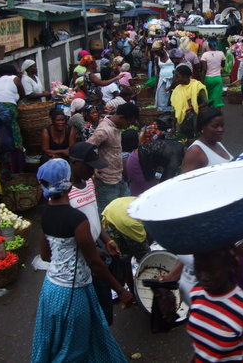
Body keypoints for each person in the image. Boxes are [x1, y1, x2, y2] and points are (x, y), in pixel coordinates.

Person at [31, 159, 133, 363]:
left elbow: (46, 255)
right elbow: (94, 264)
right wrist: (121, 291)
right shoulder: (77, 219)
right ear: (67, 182)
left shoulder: (46, 215)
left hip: (51, 289)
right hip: (72, 292)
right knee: (72, 350)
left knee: (58, 342)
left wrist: (82, 250)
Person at [67, 142, 121, 325]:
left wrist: (107, 240)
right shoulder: (65, 192)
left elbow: (94, 216)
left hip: (97, 246)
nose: (93, 171)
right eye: (90, 166)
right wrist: (90, 250)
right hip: (81, 255)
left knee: (104, 303)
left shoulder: (89, 182)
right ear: (74, 163)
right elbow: (65, 231)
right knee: (90, 307)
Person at [187, 247, 243, 362]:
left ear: (230, 266)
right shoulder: (196, 292)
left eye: (212, 271)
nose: (203, 277)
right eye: (198, 269)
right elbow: (202, 348)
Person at [86, 103, 139, 212]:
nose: (129, 126)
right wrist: (94, 168)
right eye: (129, 123)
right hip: (107, 181)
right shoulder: (104, 130)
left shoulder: (116, 126)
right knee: (107, 212)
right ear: (121, 118)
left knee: (125, 208)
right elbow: (87, 148)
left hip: (119, 177)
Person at [101, 197, 150, 294]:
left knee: (124, 258)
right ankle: (146, 292)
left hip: (111, 209)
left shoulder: (145, 201)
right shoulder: (136, 223)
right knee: (146, 259)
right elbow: (142, 239)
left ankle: (131, 293)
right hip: (125, 220)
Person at [181, 108, 232, 173]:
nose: (220, 129)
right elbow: (186, 181)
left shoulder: (218, 143)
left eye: (222, 126)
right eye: (215, 126)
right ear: (202, 127)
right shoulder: (195, 151)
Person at [0, 64, 25, 154]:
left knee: (0, 131)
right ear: (13, 72)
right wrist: (15, 101)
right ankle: (18, 151)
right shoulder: (15, 78)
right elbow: (22, 94)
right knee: (13, 130)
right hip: (9, 108)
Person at [170, 64, 208, 141]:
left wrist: (193, 108)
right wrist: (173, 126)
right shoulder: (177, 90)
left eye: (178, 77)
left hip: (195, 121)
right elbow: (174, 109)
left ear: (185, 76)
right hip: (181, 124)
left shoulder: (197, 86)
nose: (176, 79)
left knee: (195, 142)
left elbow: (205, 102)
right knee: (182, 143)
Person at [200, 39, 225, 108]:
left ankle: (210, 113)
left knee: (208, 97)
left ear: (208, 46)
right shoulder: (221, 53)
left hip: (208, 78)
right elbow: (223, 65)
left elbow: (204, 69)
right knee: (217, 98)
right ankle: (216, 112)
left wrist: (202, 81)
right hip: (218, 78)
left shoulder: (205, 55)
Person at [152, 41, 174, 112]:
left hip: (173, 79)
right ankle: (162, 113)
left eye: (157, 51)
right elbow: (157, 73)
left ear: (161, 49)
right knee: (161, 98)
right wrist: (155, 86)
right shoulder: (156, 58)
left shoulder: (170, 54)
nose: (156, 53)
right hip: (162, 80)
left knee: (173, 98)